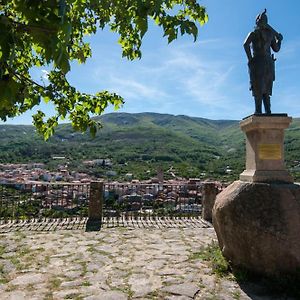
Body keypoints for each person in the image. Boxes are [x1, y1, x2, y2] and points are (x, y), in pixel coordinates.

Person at [244, 9, 283, 114]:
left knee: (264, 87)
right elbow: (246, 45)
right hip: (261, 61)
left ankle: (266, 111)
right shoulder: (255, 33)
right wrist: (250, 60)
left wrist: (251, 59)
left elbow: (275, 48)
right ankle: (261, 110)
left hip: (263, 62)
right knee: (259, 86)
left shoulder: (263, 34)